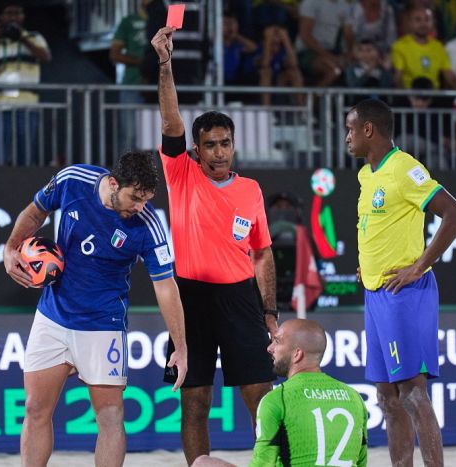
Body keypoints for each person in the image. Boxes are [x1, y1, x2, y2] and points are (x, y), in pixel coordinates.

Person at [2, 151, 188, 467]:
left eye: (146, 199)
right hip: (53, 316)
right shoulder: (73, 180)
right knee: (35, 408)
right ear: (113, 183)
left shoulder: (148, 223)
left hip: (104, 324)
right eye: (135, 197)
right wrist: (11, 247)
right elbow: (36, 212)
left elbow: (166, 286)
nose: (140, 206)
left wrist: (180, 346)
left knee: (110, 415)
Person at [152, 26, 279, 466]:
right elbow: (171, 120)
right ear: (196, 150)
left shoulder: (252, 189)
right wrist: (165, 64)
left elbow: (262, 252)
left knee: (262, 400)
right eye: (210, 145)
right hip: (189, 300)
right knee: (195, 402)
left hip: (241, 298)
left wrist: (269, 312)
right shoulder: (179, 173)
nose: (220, 152)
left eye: (225, 143)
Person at [345, 98, 456, 467]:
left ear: (369, 129)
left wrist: (418, 266)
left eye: (350, 129)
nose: (347, 138)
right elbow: (378, 228)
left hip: (405, 295)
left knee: (413, 393)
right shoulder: (367, 174)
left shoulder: (405, 169)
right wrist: (367, 266)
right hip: (376, 294)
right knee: (386, 396)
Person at [191, 319, 368, 467]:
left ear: (297, 354)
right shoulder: (354, 397)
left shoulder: (277, 399)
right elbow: (361, 462)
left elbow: (263, 465)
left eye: (277, 341)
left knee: (202, 462)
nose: (269, 348)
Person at [0, 2, 51, 166]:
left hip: (27, 106)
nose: (13, 17)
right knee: (0, 158)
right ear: (1, 17)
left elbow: (46, 58)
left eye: (17, 13)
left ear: (23, 16)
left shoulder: (34, 37)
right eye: (9, 13)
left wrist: (22, 38)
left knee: (25, 157)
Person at [109, 0, 149, 155]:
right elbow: (114, 54)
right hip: (132, 85)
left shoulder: (165, 20)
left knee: (157, 136)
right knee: (129, 135)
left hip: (160, 87)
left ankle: (156, 176)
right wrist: (144, 63)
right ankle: (124, 177)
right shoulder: (129, 21)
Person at [391, 6, 456, 89]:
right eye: (418, 20)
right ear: (410, 23)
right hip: (410, 96)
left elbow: (450, 76)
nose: (423, 24)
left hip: (434, 96)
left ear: (432, 22)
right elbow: (398, 79)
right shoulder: (399, 46)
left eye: (427, 19)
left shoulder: (438, 47)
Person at [295, 0, 352, 87]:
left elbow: (348, 33)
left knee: (356, 67)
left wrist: (351, 53)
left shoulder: (344, 5)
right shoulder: (311, 2)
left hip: (331, 51)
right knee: (334, 71)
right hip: (307, 51)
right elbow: (305, 36)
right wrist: (330, 56)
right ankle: (311, 99)